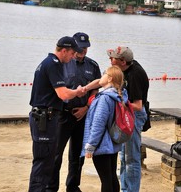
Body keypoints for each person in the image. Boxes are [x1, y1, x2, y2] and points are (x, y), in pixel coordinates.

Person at [28, 36, 84, 192]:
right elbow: (63, 94)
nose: (73, 57)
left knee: (46, 162)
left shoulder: (49, 63)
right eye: (72, 53)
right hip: (44, 118)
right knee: (43, 163)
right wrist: (77, 92)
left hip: (46, 117)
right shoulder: (53, 64)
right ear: (64, 50)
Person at [46, 33, 101, 192]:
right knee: (56, 154)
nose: (83, 50)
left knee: (77, 155)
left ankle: (72, 186)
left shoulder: (93, 66)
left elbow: (95, 92)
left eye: (86, 47)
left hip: (82, 116)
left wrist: (86, 108)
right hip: (62, 114)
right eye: (80, 47)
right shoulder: (61, 63)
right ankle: (51, 187)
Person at [107, 46, 149, 192]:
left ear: (123, 61)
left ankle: (131, 190)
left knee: (132, 159)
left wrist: (118, 102)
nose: (111, 61)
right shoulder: (126, 68)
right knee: (124, 158)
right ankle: (125, 189)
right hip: (127, 114)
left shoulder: (135, 75)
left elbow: (138, 105)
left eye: (113, 59)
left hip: (134, 115)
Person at [81, 65, 128, 192]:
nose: (101, 76)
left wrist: (91, 146)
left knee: (106, 179)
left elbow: (98, 125)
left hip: (102, 144)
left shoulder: (105, 98)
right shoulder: (119, 95)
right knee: (112, 177)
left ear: (109, 78)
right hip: (113, 142)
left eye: (103, 74)